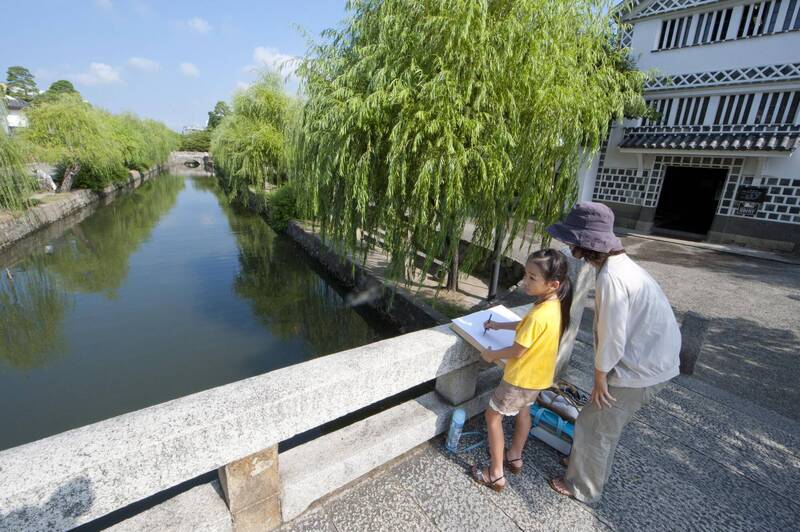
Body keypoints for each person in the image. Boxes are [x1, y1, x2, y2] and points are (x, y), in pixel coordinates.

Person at [545, 202, 681, 503]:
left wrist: (600, 377)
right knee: (597, 420)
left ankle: (583, 487)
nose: (569, 246)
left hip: (642, 367)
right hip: (654, 357)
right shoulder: (619, 266)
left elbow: (612, 338)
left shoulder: (611, 278)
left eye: (572, 241)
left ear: (584, 244)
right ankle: (583, 464)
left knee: (597, 425)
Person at [471, 249, 573, 492]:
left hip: (519, 380)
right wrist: (498, 324)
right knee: (524, 412)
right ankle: (515, 456)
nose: (525, 282)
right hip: (538, 380)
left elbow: (517, 351)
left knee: (493, 416)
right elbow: (525, 326)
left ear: (553, 283)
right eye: (525, 275)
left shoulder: (539, 314)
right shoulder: (554, 305)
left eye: (532, 278)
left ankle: (495, 474)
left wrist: (491, 354)